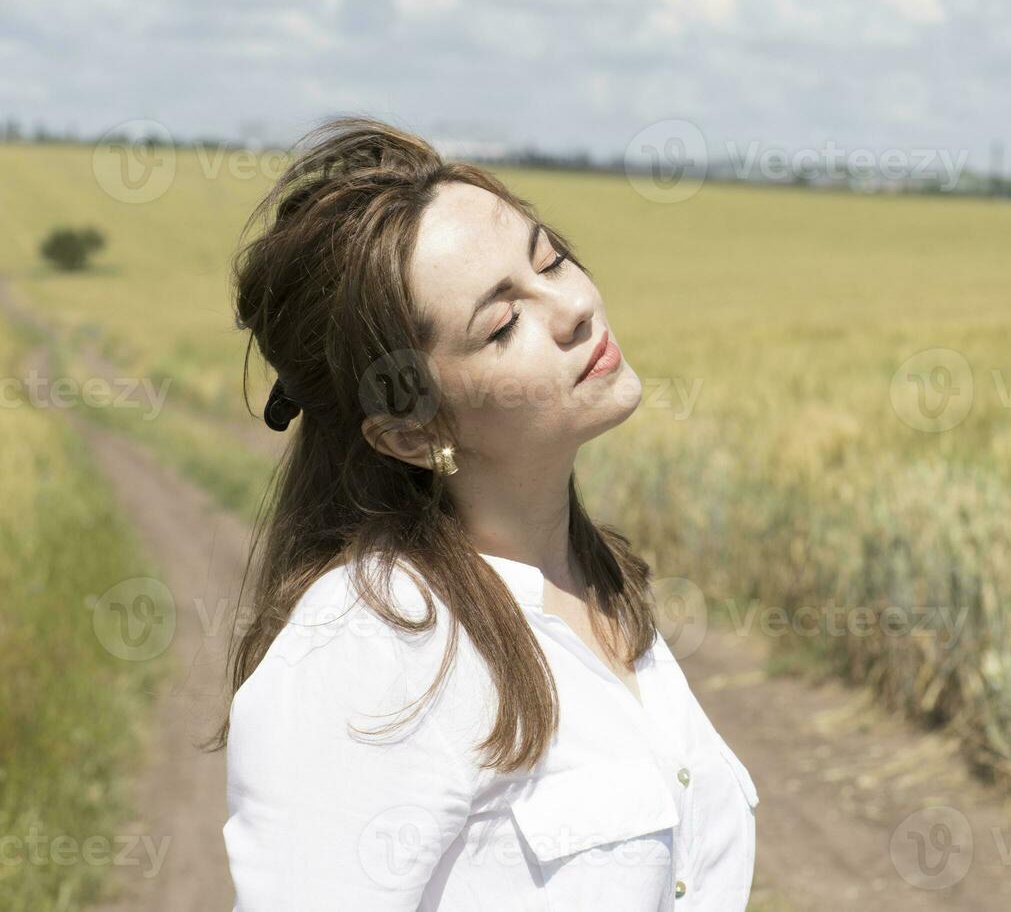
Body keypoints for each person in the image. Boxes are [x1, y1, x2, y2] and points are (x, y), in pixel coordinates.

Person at [214, 117, 758, 910]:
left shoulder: (593, 586)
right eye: (501, 323)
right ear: (411, 430)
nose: (572, 306)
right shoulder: (370, 650)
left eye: (552, 259)